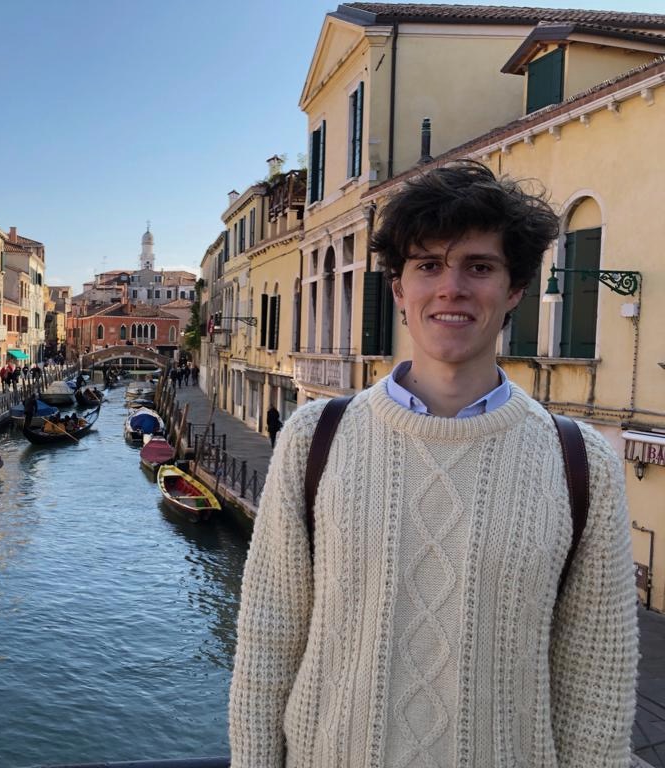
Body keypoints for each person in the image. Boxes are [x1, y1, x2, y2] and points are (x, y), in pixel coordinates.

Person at [228, 161, 638, 767]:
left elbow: (597, 694)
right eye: (427, 266)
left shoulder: (583, 465)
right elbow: (268, 643)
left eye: (479, 266)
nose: (452, 288)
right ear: (398, 290)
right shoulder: (314, 439)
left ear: (515, 290)